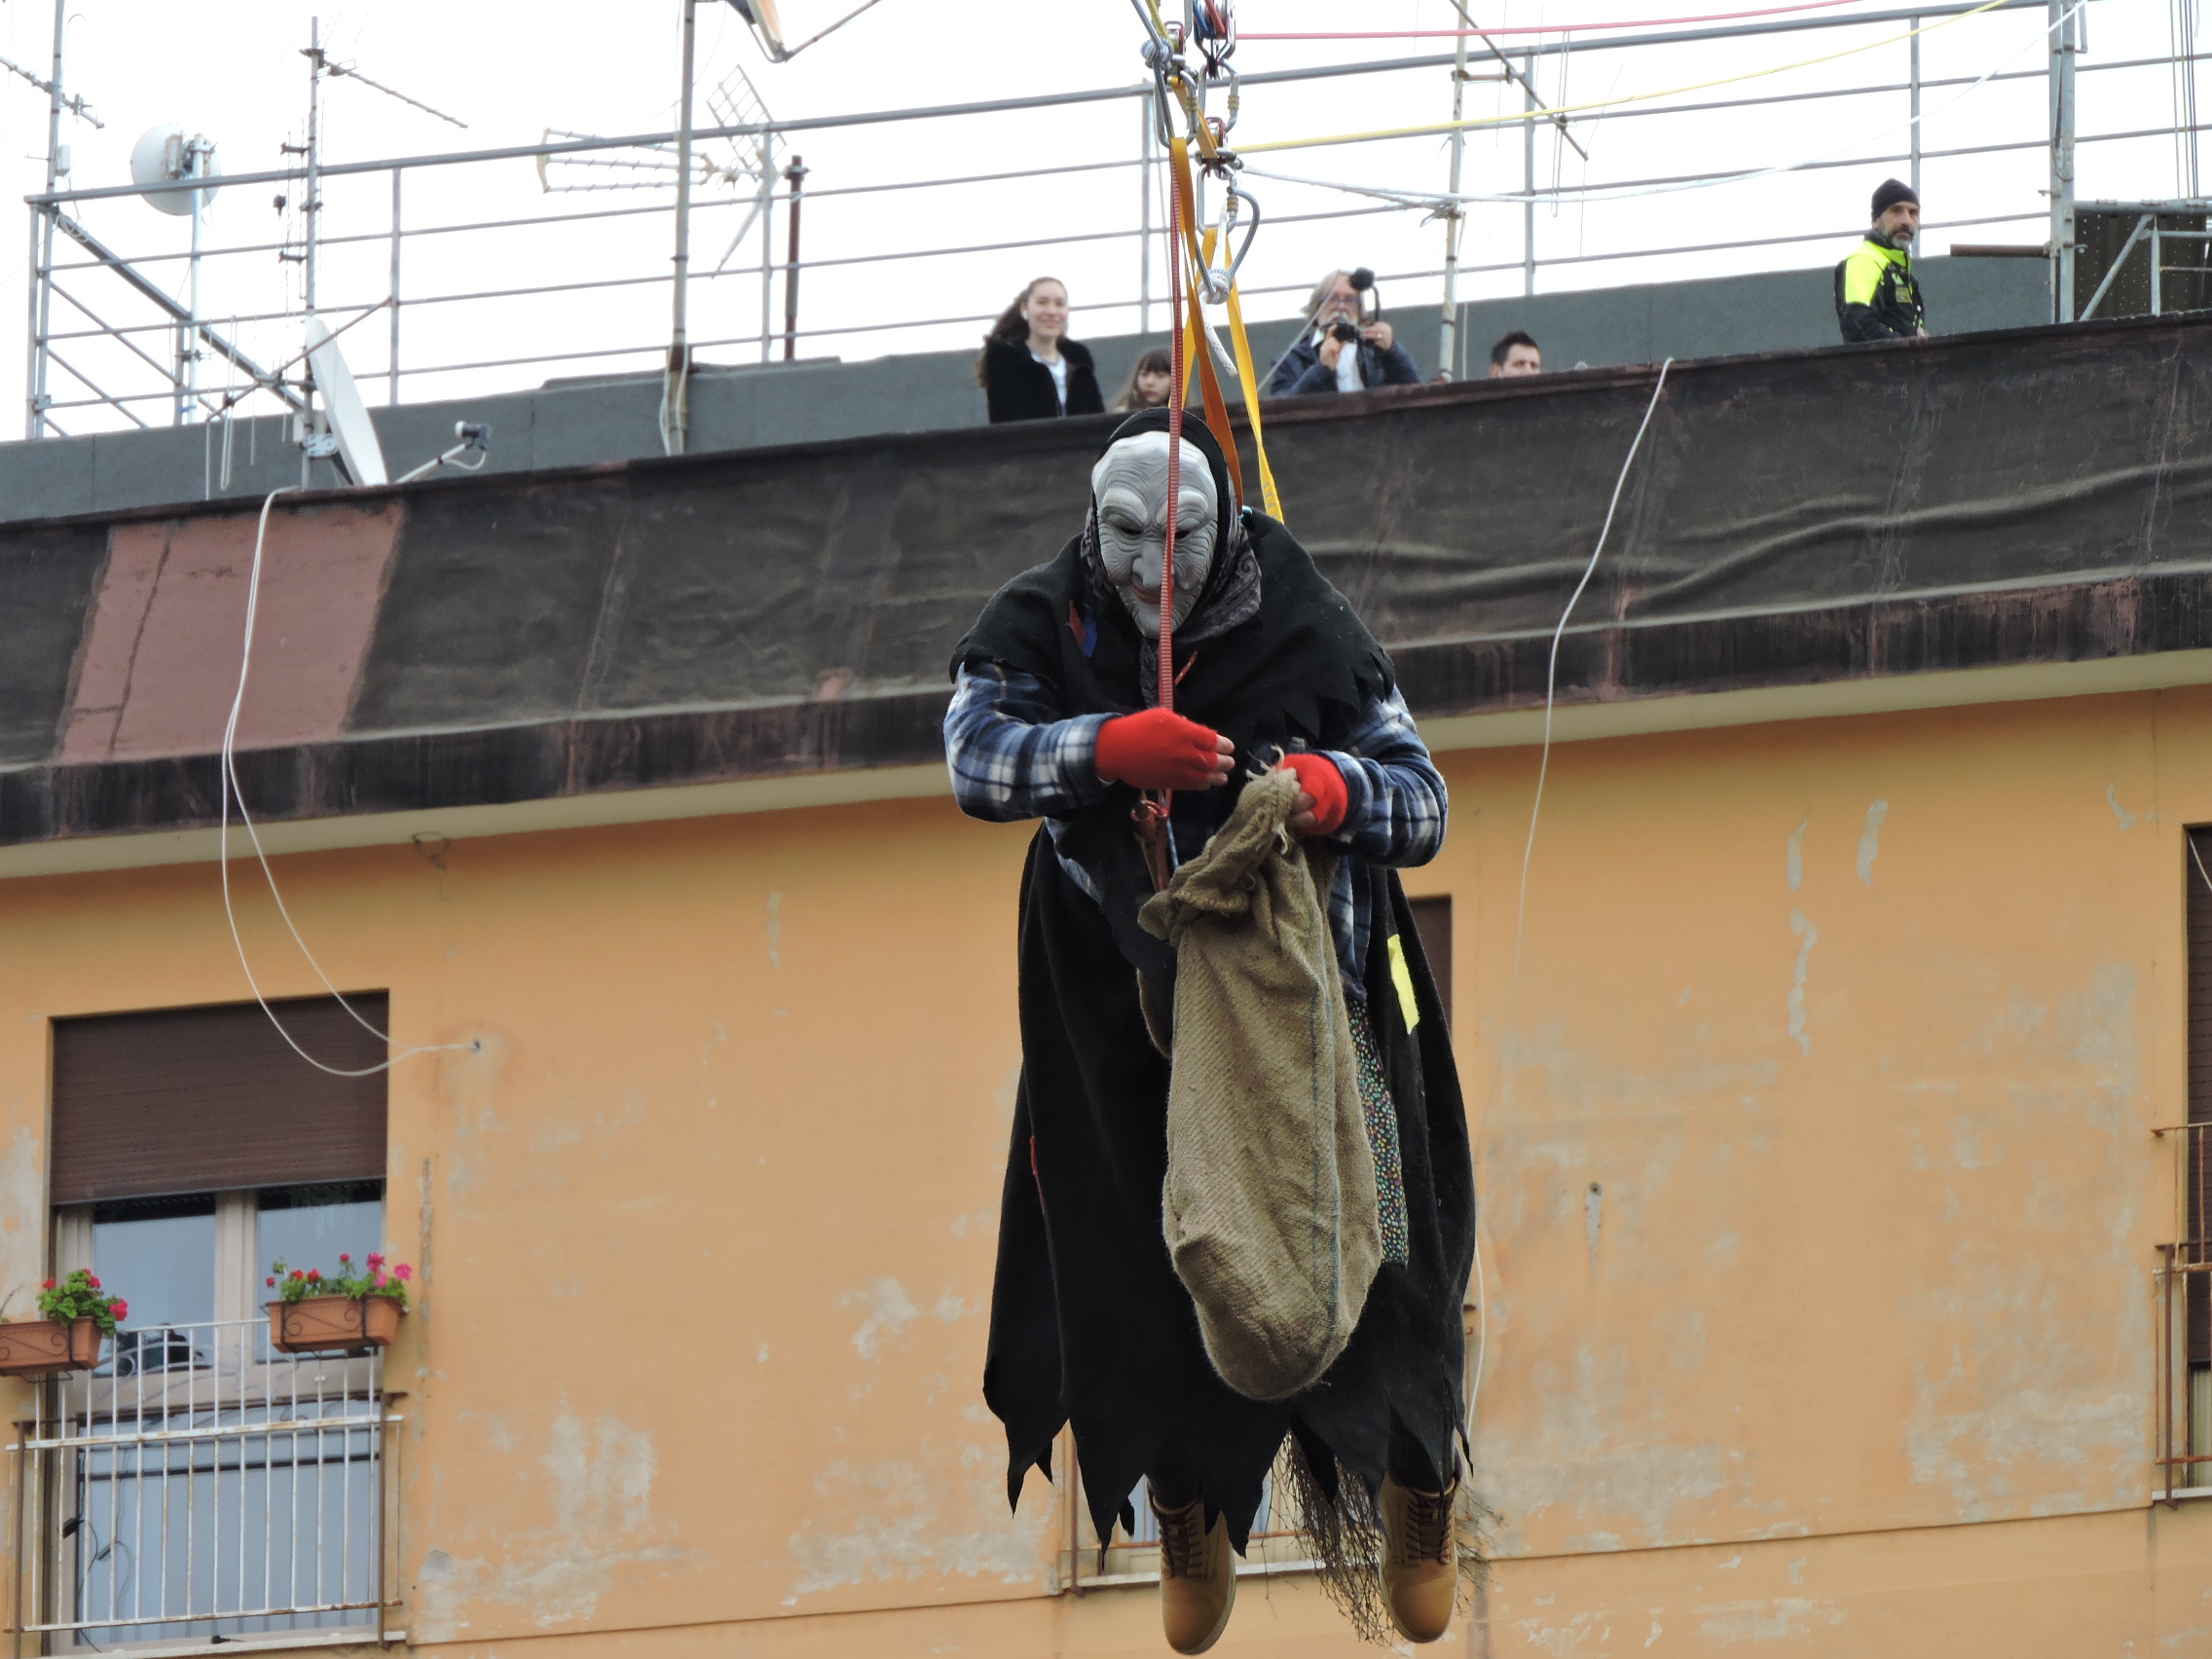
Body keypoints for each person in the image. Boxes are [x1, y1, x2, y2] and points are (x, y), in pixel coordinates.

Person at [946, 407, 1476, 1655]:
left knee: (1381, 1233)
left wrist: (1338, 791)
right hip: (1119, 1021)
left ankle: (1413, 1476)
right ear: (1094, 525)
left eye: (1175, 536)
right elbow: (974, 756)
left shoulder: (1309, 622)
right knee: (1134, 1259)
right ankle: (1184, 1501)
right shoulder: (1045, 616)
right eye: (1123, 535)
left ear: (1221, 527)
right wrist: (1099, 749)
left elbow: (1424, 799)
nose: (1148, 568)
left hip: (1319, 1012)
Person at [1267, 270, 1422, 397]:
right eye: (1332, 298)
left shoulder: (1375, 350)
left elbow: (1416, 395)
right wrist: (1322, 369)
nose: (1340, 306)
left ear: (1359, 309)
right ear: (1317, 306)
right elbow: (1281, 407)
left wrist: (1392, 351)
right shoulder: (1292, 359)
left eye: (1349, 299)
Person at [978, 277, 1107, 423]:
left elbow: (1097, 418)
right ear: (1024, 309)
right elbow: (1005, 423)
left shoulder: (1079, 359)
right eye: (1042, 302)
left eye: (1059, 304)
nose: (1051, 311)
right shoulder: (1006, 359)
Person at [1835, 179, 1927, 344]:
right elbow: (1858, 326)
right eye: (1896, 211)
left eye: (1913, 213)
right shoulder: (1864, 260)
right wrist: (1911, 345)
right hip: (1877, 368)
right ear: (1875, 221)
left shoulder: (1900, 269)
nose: (1906, 220)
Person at [1114, 346, 1175, 413]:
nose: (1149, 382)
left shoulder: (1185, 417)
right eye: (1144, 374)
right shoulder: (1120, 415)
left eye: (1160, 376)